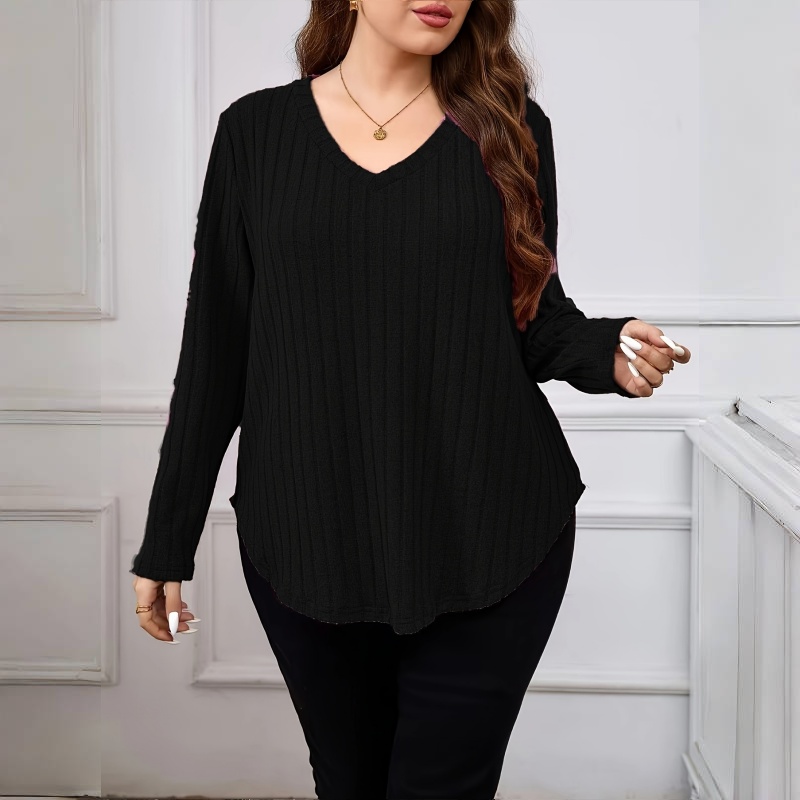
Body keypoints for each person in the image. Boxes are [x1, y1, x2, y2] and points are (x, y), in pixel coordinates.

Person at [130, 0, 692, 796]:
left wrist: (609, 353)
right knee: (349, 782)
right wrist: (168, 536)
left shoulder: (512, 130)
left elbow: (534, 321)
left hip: (491, 529)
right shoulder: (255, 134)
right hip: (308, 536)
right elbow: (216, 351)